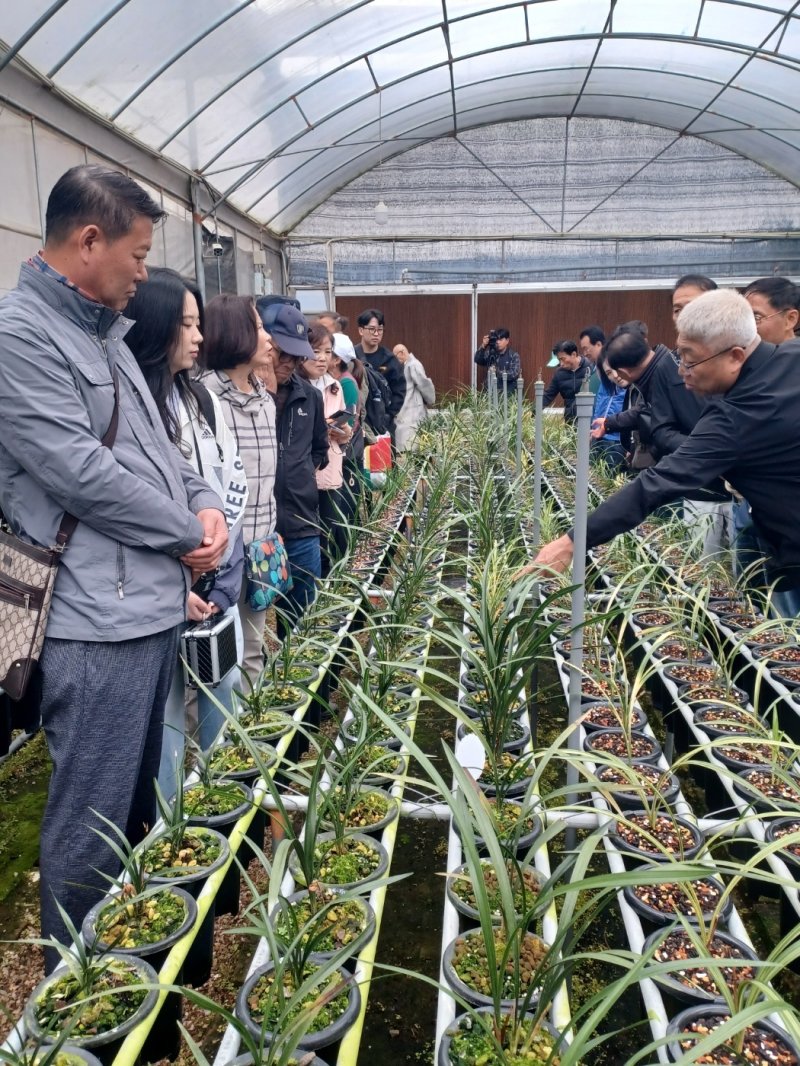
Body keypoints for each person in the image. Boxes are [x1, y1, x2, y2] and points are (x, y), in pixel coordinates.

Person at [0, 164, 228, 965]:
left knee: (131, 808)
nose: (143, 272)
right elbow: (77, 472)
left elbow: (161, 450)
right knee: (87, 823)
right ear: (88, 241)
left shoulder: (106, 334)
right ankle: (82, 1004)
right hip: (91, 624)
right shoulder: (18, 336)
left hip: (142, 608)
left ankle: (136, 975)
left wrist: (205, 505)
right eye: (136, 254)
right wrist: (184, 534)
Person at [527, 289, 800, 616]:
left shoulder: (734, 417)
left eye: (690, 359)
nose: (682, 372)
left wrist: (571, 542)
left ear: (735, 356)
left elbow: (654, 486)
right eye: (679, 357)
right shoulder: (791, 356)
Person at [125, 269, 249, 798]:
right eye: (188, 325)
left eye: (200, 324)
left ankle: (224, 801)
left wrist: (219, 567)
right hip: (163, 596)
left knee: (225, 697)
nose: (199, 337)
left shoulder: (200, 401)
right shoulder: (134, 408)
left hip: (215, 584)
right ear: (156, 328)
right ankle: (176, 835)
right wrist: (180, 580)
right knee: (168, 728)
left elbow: (227, 483)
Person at [201, 295, 278, 678]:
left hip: (260, 547)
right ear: (235, 334)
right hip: (220, 557)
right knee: (215, 661)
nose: (268, 338)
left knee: (252, 650)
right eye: (259, 327)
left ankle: (251, 734)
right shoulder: (203, 400)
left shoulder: (266, 401)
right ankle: (216, 737)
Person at [261, 303, 329, 627]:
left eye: (296, 355)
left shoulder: (310, 398)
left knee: (304, 618)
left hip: (302, 525)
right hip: (261, 530)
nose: (290, 363)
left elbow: (319, 448)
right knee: (258, 618)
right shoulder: (249, 398)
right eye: (282, 353)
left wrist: (299, 477)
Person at [302, 324, 353, 576]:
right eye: (315, 351)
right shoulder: (295, 388)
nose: (322, 358)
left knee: (330, 536)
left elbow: (344, 435)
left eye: (327, 352)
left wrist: (344, 434)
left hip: (331, 474)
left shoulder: (335, 386)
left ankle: (330, 588)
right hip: (306, 476)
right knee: (309, 539)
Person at [355, 308, 406, 431]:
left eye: (380, 329)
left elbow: (400, 391)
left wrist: (388, 415)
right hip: (357, 425)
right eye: (372, 329)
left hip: (383, 426)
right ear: (361, 330)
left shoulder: (390, 359)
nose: (376, 333)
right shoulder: (352, 356)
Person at [393, 342, 436, 452]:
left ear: (402, 353)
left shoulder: (413, 364)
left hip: (413, 410)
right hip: (410, 409)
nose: (395, 360)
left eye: (396, 356)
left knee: (411, 441)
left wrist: (430, 399)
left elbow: (423, 383)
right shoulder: (409, 365)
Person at [589, 354, 626, 472]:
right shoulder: (605, 384)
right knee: (593, 473)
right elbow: (599, 405)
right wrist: (593, 428)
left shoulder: (628, 385)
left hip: (617, 438)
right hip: (598, 434)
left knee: (611, 475)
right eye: (608, 372)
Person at [542, 340, 591, 423]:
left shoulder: (590, 367)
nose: (561, 363)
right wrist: (531, 411)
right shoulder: (559, 374)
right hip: (570, 420)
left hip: (589, 419)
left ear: (573, 354)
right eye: (559, 360)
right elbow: (548, 396)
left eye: (563, 359)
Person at [473, 328, 521, 393]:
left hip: (506, 394)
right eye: (497, 339)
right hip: (490, 393)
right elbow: (477, 359)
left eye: (500, 339)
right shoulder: (490, 353)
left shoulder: (513, 355)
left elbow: (514, 374)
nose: (498, 342)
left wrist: (497, 372)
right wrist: (483, 346)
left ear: (507, 340)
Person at [579, 325, 605, 394]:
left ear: (598, 345)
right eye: (583, 350)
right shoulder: (591, 369)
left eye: (586, 349)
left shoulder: (613, 367)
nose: (584, 354)